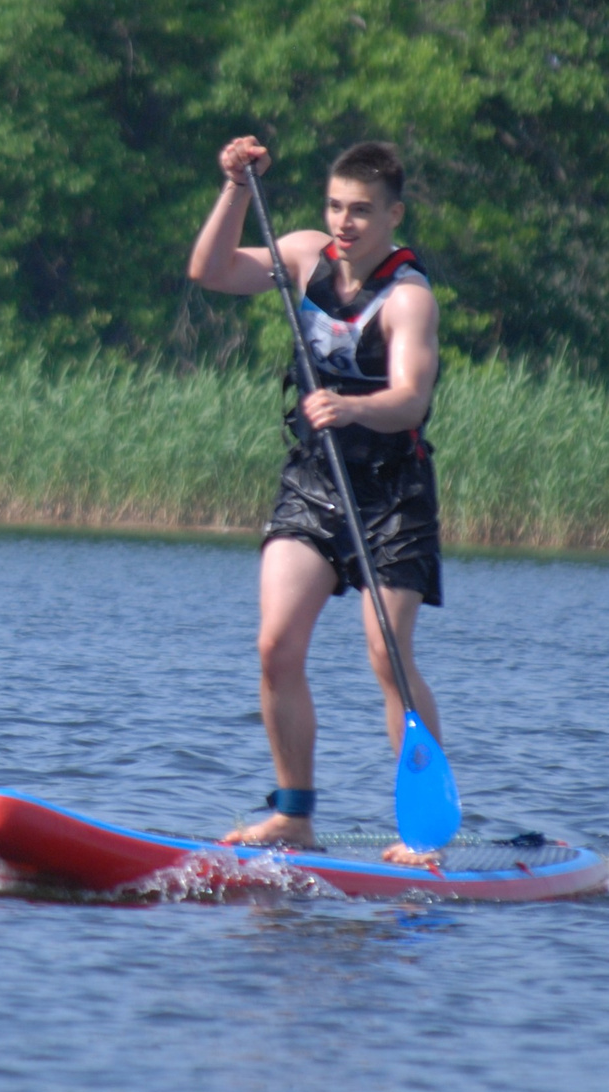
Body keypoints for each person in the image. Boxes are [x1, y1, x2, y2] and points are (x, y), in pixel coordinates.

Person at [188, 135, 444, 862]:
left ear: (394, 214)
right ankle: (293, 813)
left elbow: (410, 400)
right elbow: (208, 270)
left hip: (392, 493)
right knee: (276, 645)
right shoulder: (302, 256)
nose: (344, 222)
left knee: (386, 656)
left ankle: (421, 834)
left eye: (361, 211)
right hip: (313, 482)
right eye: (335, 206)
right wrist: (235, 186)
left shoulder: (410, 299)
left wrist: (352, 408)